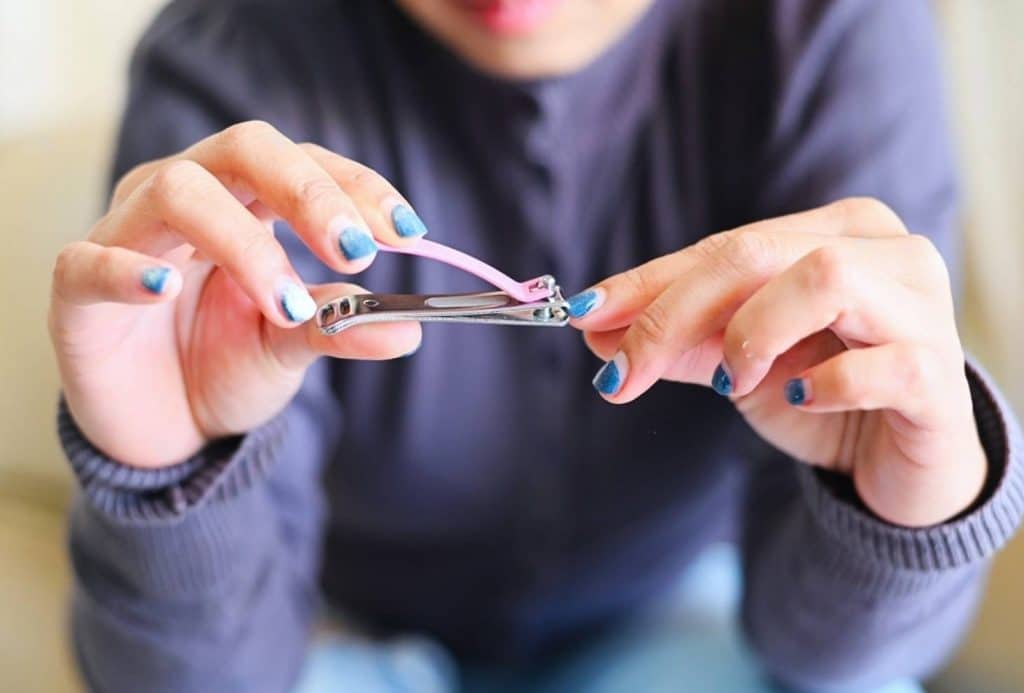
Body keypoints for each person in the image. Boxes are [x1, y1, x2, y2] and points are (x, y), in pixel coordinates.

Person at [48, 0, 1023, 691]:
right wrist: (164, 478)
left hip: (684, 622)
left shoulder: (827, 31)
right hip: (334, 637)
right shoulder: (227, 58)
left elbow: (822, 662)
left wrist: (893, 511)